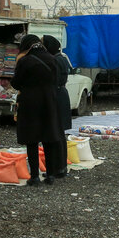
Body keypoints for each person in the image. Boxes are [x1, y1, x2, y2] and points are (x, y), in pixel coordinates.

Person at [10, 34, 61, 185]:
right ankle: (50, 175)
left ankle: (35, 177)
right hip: (49, 103)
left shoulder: (25, 61)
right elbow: (57, 81)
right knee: (48, 139)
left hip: (30, 104)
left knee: (32, 140)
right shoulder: (52, 59)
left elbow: (16, 83)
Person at [42, 35, 72, 178]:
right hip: (62, 96)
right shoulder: (62, 58)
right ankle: (61, 167)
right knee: (60, 134)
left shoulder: (55, 60)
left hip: (56, 97)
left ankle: (57, 167)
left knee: (55, 133)